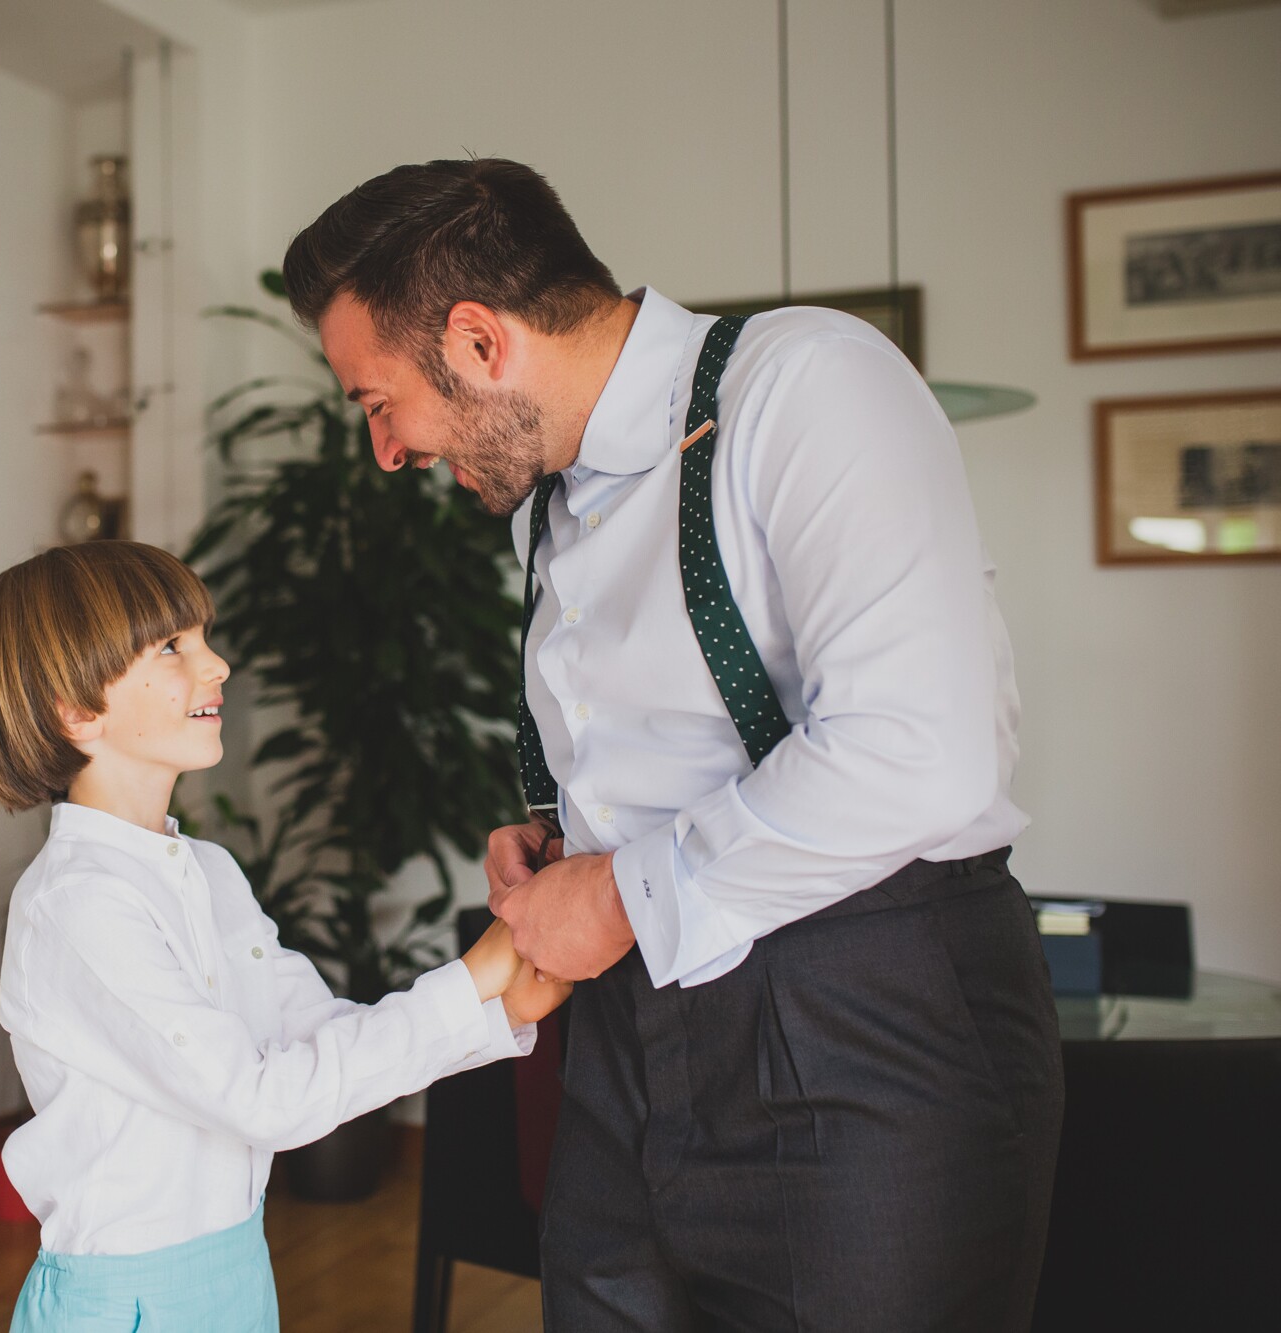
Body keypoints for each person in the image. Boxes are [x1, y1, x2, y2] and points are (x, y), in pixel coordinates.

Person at [282, 158, 1064, 1331]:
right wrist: (567, 836)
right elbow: (677, 747)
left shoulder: (806, 386)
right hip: (626, 1052)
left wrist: (621, 897)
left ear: (479, 342)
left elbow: (919, 749)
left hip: (864, 1035)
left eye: (378, 402)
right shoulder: (544, 504)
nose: (385, 452)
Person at [0, 540, 571, 1333]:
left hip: (240, 1277)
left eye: (204, 637)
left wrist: (498, 1007)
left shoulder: (210, 872)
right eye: (173, 647)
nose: (215, 665)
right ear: (74, 709)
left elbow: (313, 1039)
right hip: (126, 1306)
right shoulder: (76, 906)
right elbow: (262, 1100)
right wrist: (472, 974)